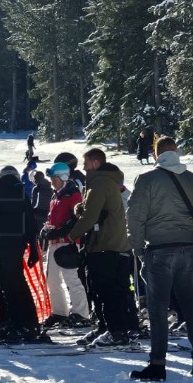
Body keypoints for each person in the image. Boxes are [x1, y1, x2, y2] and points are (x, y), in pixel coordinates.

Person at [127, 137, 193, 380]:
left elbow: (135, 217)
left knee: (158, 309)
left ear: (156, 155)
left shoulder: (147, 179)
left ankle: (158, 364)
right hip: (187, 250)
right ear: (177, 153)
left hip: (159, 249)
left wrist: (138, 249)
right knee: (191, 306)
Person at [68, 148, 133, 347]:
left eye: (85, 162)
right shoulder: (102, 182)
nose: (83, 166)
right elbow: (92, 211)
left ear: (95, 163)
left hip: (105, 245)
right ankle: (105, 327)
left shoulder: (100, 182)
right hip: (106, 244)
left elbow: (91, 215)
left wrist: (72, 234)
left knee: (107, 291)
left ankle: (116, 331)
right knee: (99, 289)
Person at [0, 166, 41, 342]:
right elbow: (30, 222)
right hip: (17, 245)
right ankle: (29, 322)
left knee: (8, 285)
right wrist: (33, 247)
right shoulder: (21, 192)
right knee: (19, 283)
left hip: (2, 244)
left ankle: (16, 324)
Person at [39, 163, 89, 328]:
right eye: (52, 178)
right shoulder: (57, 195)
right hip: (54, 243)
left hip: (68, 243)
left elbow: (76, 219)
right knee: (52, 280)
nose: (52, 181)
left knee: (71, 278)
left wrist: (61, 232)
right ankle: (59, 312)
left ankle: (81, 313)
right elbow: (53, 217)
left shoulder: (72, 194)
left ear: (64, 177)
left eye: (55, 178)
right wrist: (46, 229)